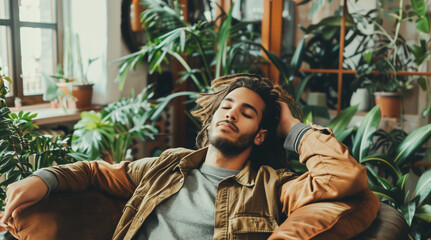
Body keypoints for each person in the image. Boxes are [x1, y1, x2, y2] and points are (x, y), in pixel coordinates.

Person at [1, 74, 379, 239]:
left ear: (261, 133)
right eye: (227, 106)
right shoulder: (169, 164)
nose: (231, 113)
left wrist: (293, 127)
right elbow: (97, 172)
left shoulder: (272, 187)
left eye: (247, 112)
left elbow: (343, 176)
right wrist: (42, 178)